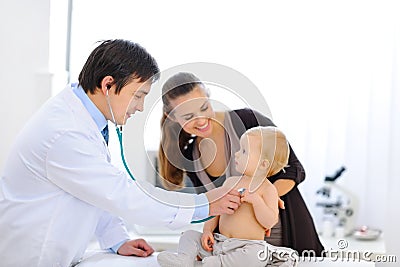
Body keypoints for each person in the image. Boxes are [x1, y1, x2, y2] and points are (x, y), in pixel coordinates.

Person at [0, 40, 242, 267]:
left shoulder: (83, 119)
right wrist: (205, 205)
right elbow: (120, 194)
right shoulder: (65, 132)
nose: (140, 107)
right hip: (33, 257)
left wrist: (116, 238)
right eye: (138, 95)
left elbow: (95, 191)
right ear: (108, 85)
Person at [158, 72, 324, 256]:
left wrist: (264, 198)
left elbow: (294, 169)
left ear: (209, 98)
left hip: (287, 239)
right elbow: (212, 207)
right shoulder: (190, 157)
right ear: (171, 117)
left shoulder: (248, 121)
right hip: (236, 250)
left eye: (204, 107)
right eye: (189, 116)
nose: (201, 120)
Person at [157, 126, 298, 267]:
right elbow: (215, 210)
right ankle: (184, 259)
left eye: (244, 151)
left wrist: (256, 201)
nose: (236, 154)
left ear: (263, 164)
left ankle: (216, 263)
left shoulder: (268, 190)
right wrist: (207, 231)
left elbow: (269, 222)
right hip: (219, 243)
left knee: (256, 255)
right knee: (189, 235)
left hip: (246, 246)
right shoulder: (231, 182)